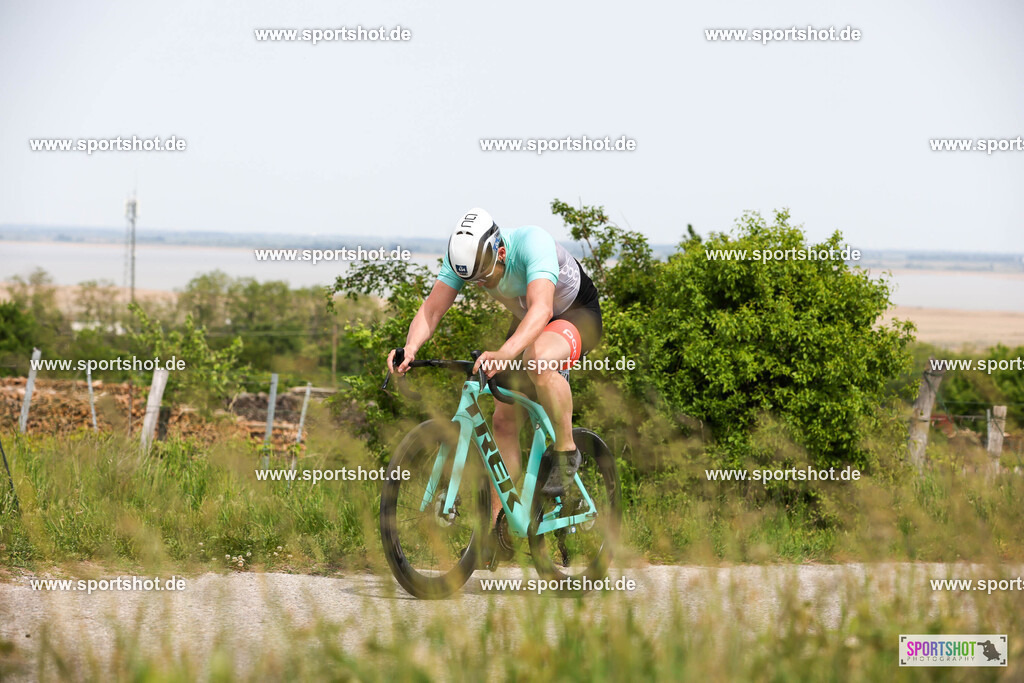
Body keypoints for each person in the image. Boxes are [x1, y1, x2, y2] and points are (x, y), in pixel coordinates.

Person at [386, 207, 602, 527]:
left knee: (538, 363)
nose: (480, 283)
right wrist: (411, 348)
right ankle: (502, 525)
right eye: (471, 279)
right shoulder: (467, 258)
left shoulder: (533, 242)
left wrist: (504, 352)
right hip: (526, 320)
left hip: (574, 315)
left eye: (485, 275)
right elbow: (431, 310)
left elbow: (542, 310)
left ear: (500, 251)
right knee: (502, 422)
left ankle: (567, 451)